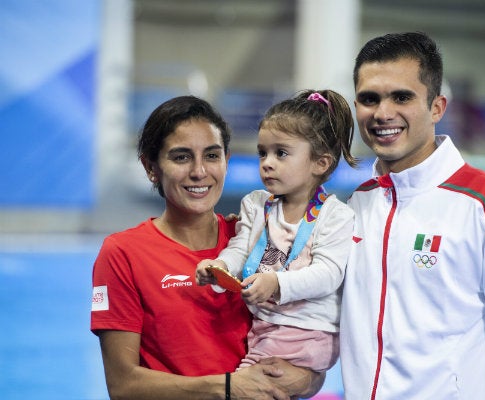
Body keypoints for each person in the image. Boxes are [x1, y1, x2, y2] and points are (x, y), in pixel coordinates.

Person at [339, 32, 485, 399]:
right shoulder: (360, 203)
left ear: (437, 107)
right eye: (369, 99)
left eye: (401, 97)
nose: (383, 113)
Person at [90, 95, 324, 400]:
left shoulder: (258, 240)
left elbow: (307, 355)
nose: (199, 171)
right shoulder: (123, 253)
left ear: (226, 160)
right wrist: (227, 387)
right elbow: (122, 385)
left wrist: (307, 379)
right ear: (151, 167)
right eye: (181, 157)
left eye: (212, 156)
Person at [196, 89, 357, 373]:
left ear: (321, 162)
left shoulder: (336, 215)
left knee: (244, 385)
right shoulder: (257, 204)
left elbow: (329, 274)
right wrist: (220, 267)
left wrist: (277, 283)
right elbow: (241, 248)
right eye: (263, 153)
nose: (267, 162)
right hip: (265, 328)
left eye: (281, 153)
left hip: (307, 333)